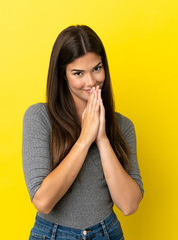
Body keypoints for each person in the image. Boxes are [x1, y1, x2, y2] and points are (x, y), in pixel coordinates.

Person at [22, 25, 144, 240]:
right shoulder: (39, 118)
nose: (91, 81)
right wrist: (85, 139)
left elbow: (129, 205)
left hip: (107, 233)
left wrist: (103, 139)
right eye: (78, 73)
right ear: (63, 75)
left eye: (97, 69)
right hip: (52, 235)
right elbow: (43, 202)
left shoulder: (123, 126)